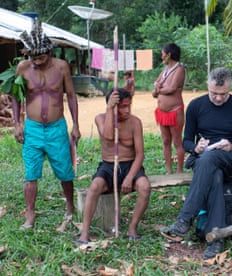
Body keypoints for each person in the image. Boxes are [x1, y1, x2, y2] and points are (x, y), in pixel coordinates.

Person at [160, 67, 232, 259]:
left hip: (229, 159)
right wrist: (195, 148)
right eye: (214, 93)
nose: (218, 98)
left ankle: (185, 218)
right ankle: (216, 238)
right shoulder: (196, 105)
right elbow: (186, 141)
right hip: (204, 159)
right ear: (207, 86)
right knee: (214, 175)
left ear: (230, 88)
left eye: (223, 94)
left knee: (210, 160)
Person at [11, 19, 81, 230]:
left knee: (65, 171)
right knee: (31, 173)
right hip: (32, 128)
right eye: (33, 58)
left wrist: (75, 125)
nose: (37, 62)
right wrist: (16, 123)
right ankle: (30, 215)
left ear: (50, 52)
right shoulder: (23, 68)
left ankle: (70, 207)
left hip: (56, 127)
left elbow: (70, 95)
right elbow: (15, 96)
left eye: (41, 58)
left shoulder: (61, 68)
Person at [78, 88, 151, 243]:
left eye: (129, 105)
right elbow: (109, 136)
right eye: (123, 106)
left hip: (130, 165)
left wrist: (130, 177)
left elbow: (140, 154)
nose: (127, 110)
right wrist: (109, 109)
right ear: (112, 106)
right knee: (94, 187)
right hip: (109, 165)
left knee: (144, 187)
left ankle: (132, 228)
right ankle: (85, 233)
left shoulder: (135, 122)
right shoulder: (100, 119)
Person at [152, 43, 185, 174]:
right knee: (166, 141)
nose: (161, 56)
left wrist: (159, 88)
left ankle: (179, 171)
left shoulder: (179, 69)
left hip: (174, 111)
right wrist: (158, 89)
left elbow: (171, 88)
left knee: (177, 141)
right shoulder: (165, 70)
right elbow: (155, 88)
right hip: (162, 112)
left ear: (169, 54)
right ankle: (169, 170)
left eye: (163, 54)